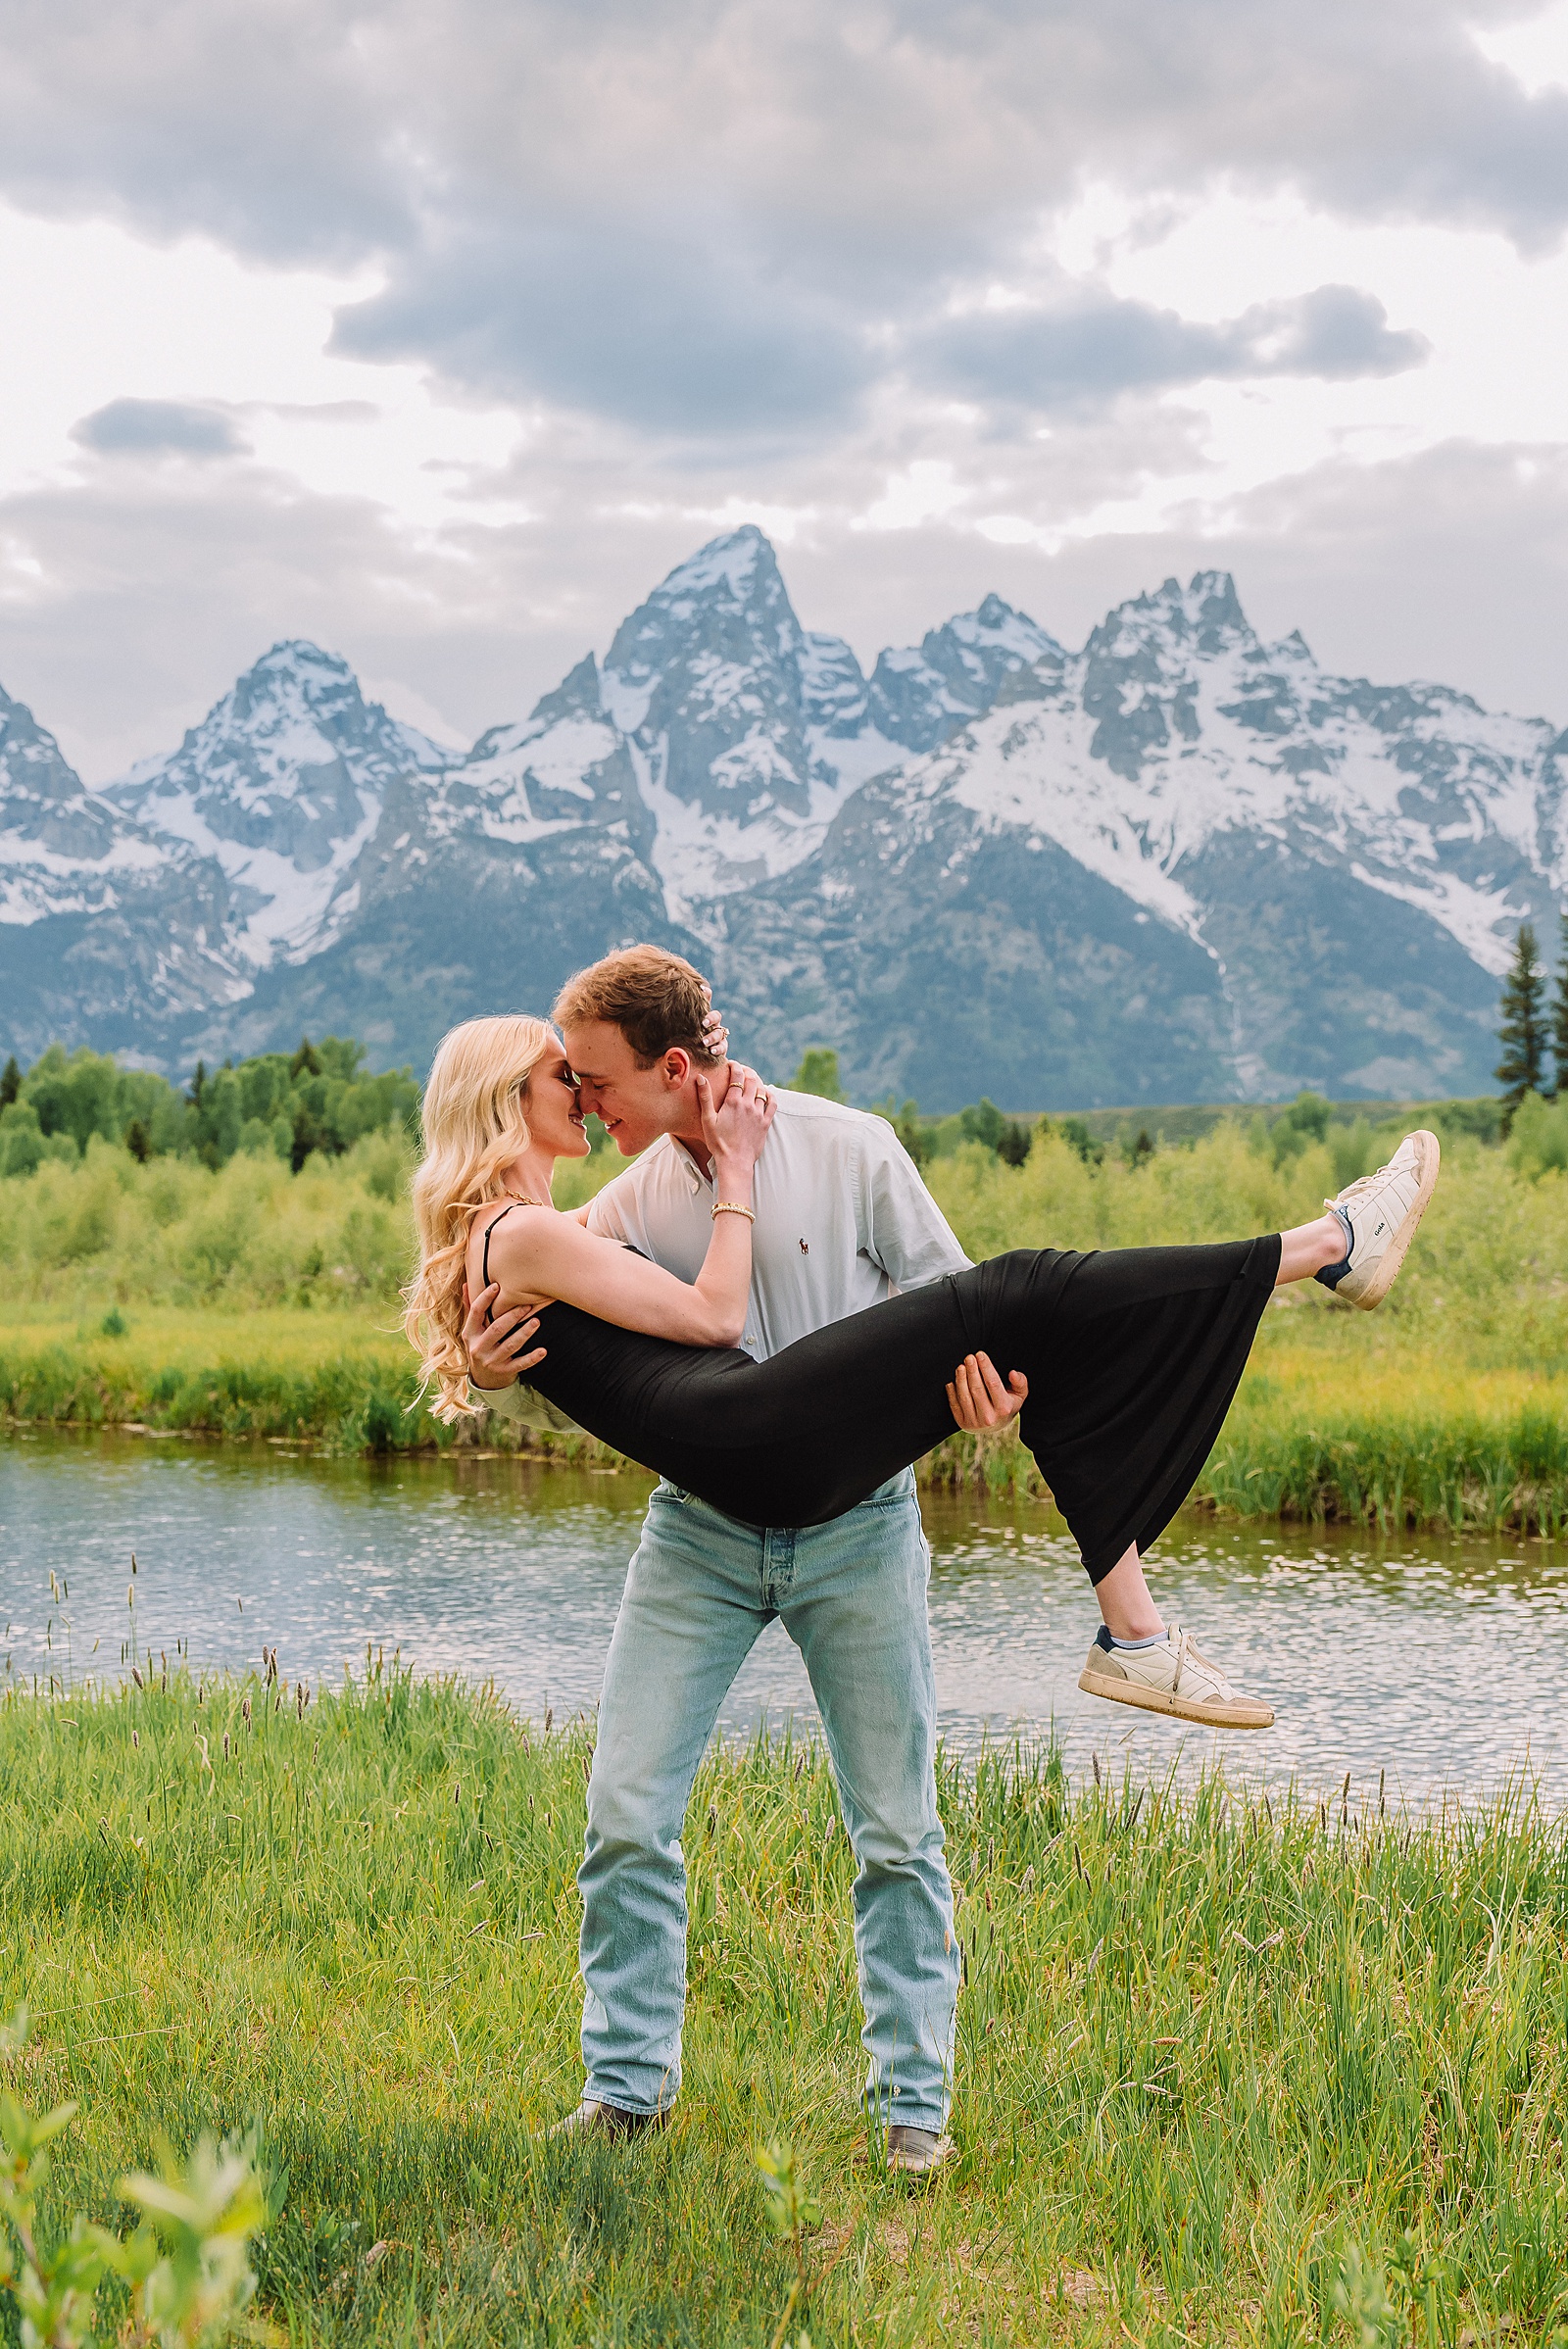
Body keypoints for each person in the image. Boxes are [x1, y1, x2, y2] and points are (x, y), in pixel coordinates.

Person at [407, 959, 1439, 2163]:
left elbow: (962, 1323)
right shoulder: (621, 1200)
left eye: (593, 1079)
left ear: (671, 1068)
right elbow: (595, 1324)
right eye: (562, 1083)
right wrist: (484, 1364)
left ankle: (913, 2112)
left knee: (897, 1831)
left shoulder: (849, 1145)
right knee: (627, 1814)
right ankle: (623, 2093)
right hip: (702, 1527)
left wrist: (986, 1404)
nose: (585, 1102)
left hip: (860, 1524)